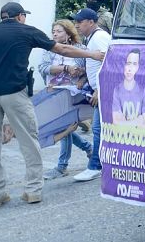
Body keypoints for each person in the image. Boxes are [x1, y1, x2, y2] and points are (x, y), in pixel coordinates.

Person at [0, 2, 104, 206]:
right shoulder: (27, 31)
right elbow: (63, 49)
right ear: (20, 16)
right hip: (14, 94)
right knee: (29, 141)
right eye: (24, 16)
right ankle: (32, 191)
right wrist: (92, 54)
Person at [39, 19, 92, 180]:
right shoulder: (49, 49)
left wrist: (82, 75)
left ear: (68, 33)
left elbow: (90, 69)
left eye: (59, 31)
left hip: (73, 94)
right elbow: (43, 68)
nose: (55, 34)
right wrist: (66, 68)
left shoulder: (80, 49)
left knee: (65, 127)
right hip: (54, 93)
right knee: (62, 129)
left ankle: (62, 166)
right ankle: (88, 148)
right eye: (53, 31)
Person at [72, 7, 112, 182]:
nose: (77, 25)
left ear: (90, 22)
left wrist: (100, 89)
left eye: (79, 22)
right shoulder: (94, 37)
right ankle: (100, 165)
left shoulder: (100, 37)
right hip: (100, 89)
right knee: (100, 130)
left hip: (104, 91)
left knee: (98, 130)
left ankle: (95, 166)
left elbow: (110, 62)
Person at [111, 49, 145, 127]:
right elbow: (116, 123)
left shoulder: (142, 91)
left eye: (134, 64)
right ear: (123, 65)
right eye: (128, 63)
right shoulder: (117, 90)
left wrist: (124, 123)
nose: (130, 68)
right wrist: (137, 122)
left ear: (138, 67)